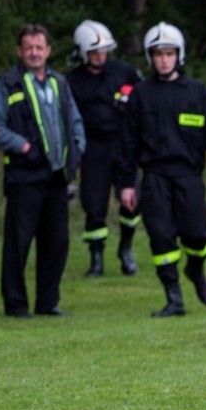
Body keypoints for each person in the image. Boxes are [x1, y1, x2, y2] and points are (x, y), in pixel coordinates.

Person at [0, 24, 86, 318]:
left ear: (48, 51)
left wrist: (78, 146)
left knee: (57, 242)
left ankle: (47, 303)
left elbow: (75, 120)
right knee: (18, 243)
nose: (34, 53)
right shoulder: (7, 84)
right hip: (24, 176)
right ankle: (16, 304)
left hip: (57, 176)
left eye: (39, 47)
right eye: (28, 47)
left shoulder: (59, 83)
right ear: (19, 51)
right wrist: (22, 146)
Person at [119, 21, 206, 317]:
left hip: (189, 176)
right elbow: (128, 142)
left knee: (198, 235)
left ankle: (196, 271)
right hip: (154, 178)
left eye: (169, 53)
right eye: (158, 54)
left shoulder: (197, 93)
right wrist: (127, 183)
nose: (164, 59)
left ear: (179, 55)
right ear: (150, 57)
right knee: (161, 237)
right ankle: (173, 298)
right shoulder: (140, 94)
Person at [67, 20, 144, 277]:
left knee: (132, 201)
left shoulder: (123, 71)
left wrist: (130, 98)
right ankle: (96, 258)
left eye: (104, 51)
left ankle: (125, 248)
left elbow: (143, 93)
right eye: (94, 52)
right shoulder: (73, 81)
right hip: (93, 150)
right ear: (82, 52)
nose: (101, 56)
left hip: (123, 146)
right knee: (94, 205)